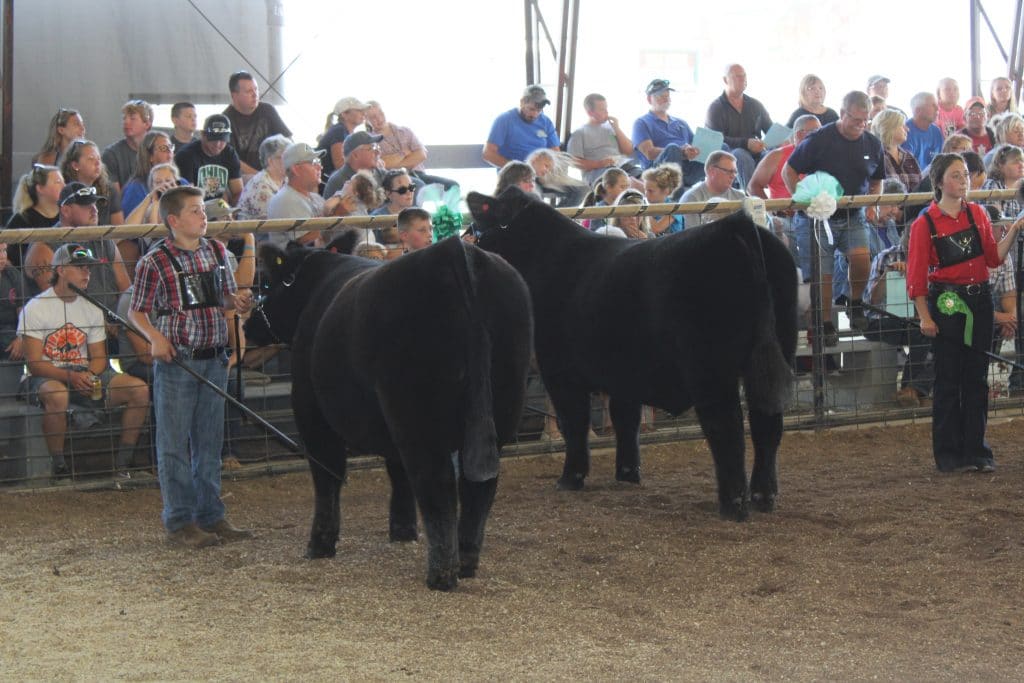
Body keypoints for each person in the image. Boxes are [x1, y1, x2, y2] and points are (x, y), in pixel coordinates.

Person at [128, 185, 254, 547]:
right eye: (196, 211)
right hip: (178, 362)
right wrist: (155, 336)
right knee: (174, 444)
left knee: (209, 441)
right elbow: (136, 310)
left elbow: (224, 298)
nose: (203, 217)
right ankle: (180, 520)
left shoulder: (216, 250)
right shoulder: (154, 261)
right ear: (173, 220)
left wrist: (238, 301)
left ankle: (210, 514)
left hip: (213, 356)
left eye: (202, 211)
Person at [906, 153, 1023, 473]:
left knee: (975, 377)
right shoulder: (925, 223)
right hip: (947, 303)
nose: (963, 181)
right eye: (956, 176)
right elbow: (916, 275)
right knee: (948, 378)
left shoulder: (978, 214)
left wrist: (1013, 230)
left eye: (965, 176)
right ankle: (948, 453)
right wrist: (924, 316)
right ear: (940, 181)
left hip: (980, 301)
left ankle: (976, 450)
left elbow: (993, 258)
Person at [18, 243, 150, 480]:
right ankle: (59, 466)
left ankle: (123, 462)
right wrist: (72, 376)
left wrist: (89, 375)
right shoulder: (35, 307)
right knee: (57, 395)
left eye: (88, 267)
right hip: (46, 375)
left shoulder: (91, 306)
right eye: (80, 268)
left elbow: (99, 357)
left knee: (138, 390)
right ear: (60, 270)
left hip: (82, 371)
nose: (87, 273)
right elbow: (35, 364)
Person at [784, 90, 886, 338]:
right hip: (817, 219)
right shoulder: (819, 139)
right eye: (855, 120)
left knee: (862, 259)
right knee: (823, 274)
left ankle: (855, 301)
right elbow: (789, 171)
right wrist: (804, 200)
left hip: (853, 215)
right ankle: (825, 323)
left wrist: (872, 205)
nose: (860, 126)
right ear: (842, 114)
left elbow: (877, 180)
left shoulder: (872, 143)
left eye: (865, 121)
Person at [861, 227, 934, 408]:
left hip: (915, 320)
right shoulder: (885, 257)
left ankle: (912, 390)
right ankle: (912, 390)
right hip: (882, 319)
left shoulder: (931, 259)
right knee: (921, 333)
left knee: (935, 338)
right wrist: (888, 275)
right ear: (905, 237)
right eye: (912, 238)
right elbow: (872, 300)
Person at [747, 114, 822, 259]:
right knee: (779, 228)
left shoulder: (824, 155)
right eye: (816, 132)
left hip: (816, 216)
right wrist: (774, 208)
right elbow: (753, 187)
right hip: (785, 218)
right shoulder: (777, 156)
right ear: (799, 134)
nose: (821, 136)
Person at [267, 142, 352, 246]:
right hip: (298, 261)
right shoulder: (285, 200)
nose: (320, 167)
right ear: (296, 169)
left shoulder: (313, 197)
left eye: (319, 161)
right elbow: (307, 243)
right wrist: (337, 215)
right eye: (314, 162)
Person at [705, 63, 773, 189]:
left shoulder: (755, 105)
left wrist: (779, 141)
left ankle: (781, 200)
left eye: (744, 75)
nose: (743, 79)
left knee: (773, 155)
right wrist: (746, 143)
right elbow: (716, 140)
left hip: (758, 152)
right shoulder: (715, 108)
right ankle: (753, 199)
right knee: (740, 155)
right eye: (737, 76)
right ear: (726, 80)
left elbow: (770, 129)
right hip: (730, 156)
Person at [365, 100, 457, 191]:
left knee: (453, 186)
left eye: (381, 113)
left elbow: (421, 155)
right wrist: (405, 154)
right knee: (417, 186)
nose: (379, 119)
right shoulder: (369, 141)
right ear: (367, 121)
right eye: (373, 117)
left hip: (418, 174)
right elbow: (384, 164)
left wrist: (397, 164)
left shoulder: (404, 131)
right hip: (393, 180)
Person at [632, 78, 705, 189]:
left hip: (688, 169)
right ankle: (677, 197)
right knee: (672, 149)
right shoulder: (641, 123)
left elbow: (695, 146)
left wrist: (692, 150)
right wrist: (681, 152)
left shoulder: (681, 123)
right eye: (660, 96)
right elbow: (649, 153)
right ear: (649, 99)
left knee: (718, 148)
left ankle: (725, 197)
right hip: (658, 173)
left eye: (667, 96)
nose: (665, 99)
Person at [222, 71, 292, 176]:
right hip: (243, 176)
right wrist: (260, 176)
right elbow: (231, 158)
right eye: (249, 91)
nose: (255, 95)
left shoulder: (268, 110)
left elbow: (288, 141)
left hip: (274, 171)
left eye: (256, 89)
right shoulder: (225, 120)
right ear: (234, 96)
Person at [482, 85, 559, 168]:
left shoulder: (546, 122)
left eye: (539, 110)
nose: (534, 114)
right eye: (531, 109)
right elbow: (488, 153)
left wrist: (545, 168)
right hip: (513, 174)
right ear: (522, 102)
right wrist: (518, 169)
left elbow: (555, 152)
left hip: (539, 174)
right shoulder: (504, 120)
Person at [568, 93, 636, 186]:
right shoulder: (579, 133)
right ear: (590, 112)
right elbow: (574, 162)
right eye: (602, 109)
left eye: (606, 108)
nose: (607, 112)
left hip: (621, 165)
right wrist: (599, 164)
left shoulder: (611, 128)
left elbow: (629, 151)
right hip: (598, 172)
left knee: (646, 180)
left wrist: (617, 128)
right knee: (630, 183)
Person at [173, 114, 243, 204]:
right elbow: (187, 196)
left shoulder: (229, 153)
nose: (218, 144)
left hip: (220, 206)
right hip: (195, 207)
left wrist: (229, 211)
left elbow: (238, 191)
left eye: (222, 139)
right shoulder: (186, 156)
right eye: (213, 139)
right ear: (202, 134)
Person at [5, 164, 64, 268]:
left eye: (63, 182)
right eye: (58, 182)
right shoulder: (21, 220)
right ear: (40, 188)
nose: (64, 186)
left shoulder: (66, 215)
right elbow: (11, 258)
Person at [60, 138, 124, 227]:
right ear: (75, 165)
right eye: (91, 159)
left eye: (99, 158)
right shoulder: (64, 191)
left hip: (102, 240)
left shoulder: (110, 190)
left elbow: (119, 230)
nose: (97, 163)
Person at [680, 151, 746, 229]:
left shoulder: (740, 197)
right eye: (729, 171)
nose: (733, 176)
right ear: (711, 171)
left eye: (735, 172)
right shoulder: (692, 198)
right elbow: (691, 236)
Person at [121, 131, 178, 215]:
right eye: (163, 148)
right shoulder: (135, 189)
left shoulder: (182, 182)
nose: (169, 151)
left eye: (170, 147)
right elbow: (130, 225)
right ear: (150, 156)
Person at [101, 99, 154, 191]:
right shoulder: (111, 154)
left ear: (147, 124)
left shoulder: (157, 152)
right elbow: (115, 199)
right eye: (124, 118)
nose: (126, 122)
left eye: (132, 118)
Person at [236, 134, 290, 221]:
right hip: (256, 232)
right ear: (271, 161)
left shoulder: (286, 180)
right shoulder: (260, 185)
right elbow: (275, 221)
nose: (290, 161)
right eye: (285, 157)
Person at [316, 96, 368, 180]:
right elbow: (340, 165)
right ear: (344, 114)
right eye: (359, 110)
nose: (363, 113)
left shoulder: (345, 132)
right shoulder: (339, 131)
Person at [322, 131, 386, 198]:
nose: (378, 152)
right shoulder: (338, 182)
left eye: (377, 147)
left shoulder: (380, 173)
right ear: (355, 155)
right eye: (372, 148)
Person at [871, 108, 922, 191]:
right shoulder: (875, 156)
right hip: (886, 203)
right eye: (902, 125)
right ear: (890, 127)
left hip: (915, 203)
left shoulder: (909, 156)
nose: (907, 129)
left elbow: (920, 188)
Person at [902, 92, 944, 170]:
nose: (938, 109)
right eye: (933, 105)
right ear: (918, 110)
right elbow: (907, 168)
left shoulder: (936, 131)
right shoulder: (904, 132)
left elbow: (940, 162)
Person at [982, 144, 1024, 219]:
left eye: (1022, 161)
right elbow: (996, 221)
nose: (1021, 165)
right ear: (1000, 165)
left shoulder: (1022, 185)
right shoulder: (992, 185)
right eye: (1015, 162)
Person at [641, 163, 683, 235]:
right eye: (645, 190)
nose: (646, 194)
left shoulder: (675, 208)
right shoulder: (646, 204)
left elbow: (656, 229)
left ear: (666, 191)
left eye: (650, 191)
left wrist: (644, 208)